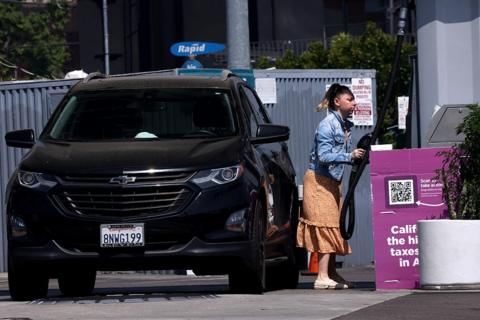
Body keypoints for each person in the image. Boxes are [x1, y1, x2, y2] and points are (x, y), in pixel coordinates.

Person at [297, 83, 365, 290]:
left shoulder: (344, 125)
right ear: (337, 102)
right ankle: (322, 276)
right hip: (319, 181)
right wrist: (349, 156)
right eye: (350, 100)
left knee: (334, 225)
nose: (354, 104)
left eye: (353, 100)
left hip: (332, 181)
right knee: (326, 226)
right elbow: (324, 156)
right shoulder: (328, 124)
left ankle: (331, 273)